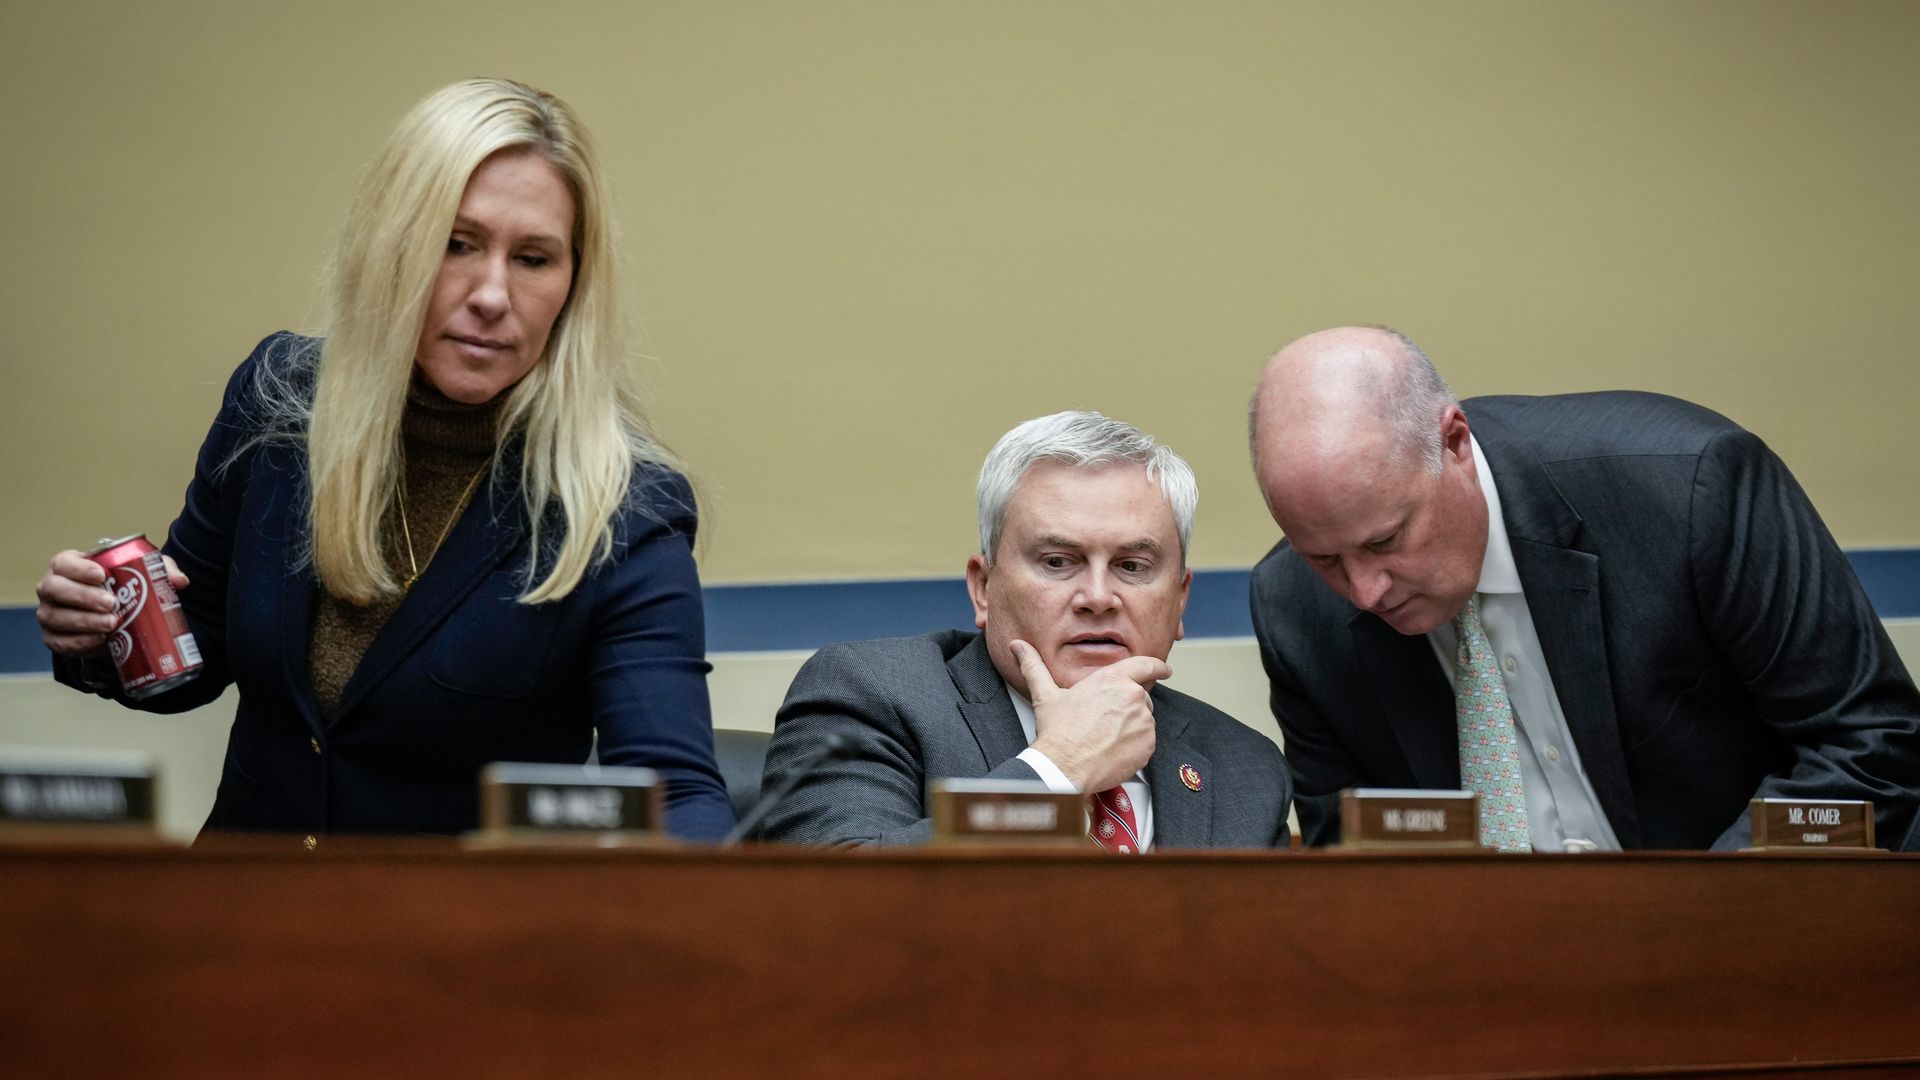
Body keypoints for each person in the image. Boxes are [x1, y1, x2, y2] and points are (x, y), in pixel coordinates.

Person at [34, 78, 735, 842]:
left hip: (457, 946)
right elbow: (187, 664)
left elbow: (677, 790)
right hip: (241, 919)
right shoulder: (279, 405)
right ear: (390, 247)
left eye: (533, 258)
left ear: (572, 286)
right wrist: (101, 632)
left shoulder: (625, 506)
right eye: (455, 244)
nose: (493, 295)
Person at [1248, 325, 1920, 851]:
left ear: (1453, 442)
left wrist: (1706, 920)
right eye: (1326, 559)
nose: (1365, 591)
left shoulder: (1687, 493)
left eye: (1386, 541)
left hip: (1754, 941)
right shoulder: (1294, 610)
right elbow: (1355, 861)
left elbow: (1872, 745)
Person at [759, 411, 1292, 849]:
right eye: (1058, 562)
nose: (1098, 598)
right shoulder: (872, 696)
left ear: (1180, 600)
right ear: (983, 588)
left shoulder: (1244, 768)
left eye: (1132, 566)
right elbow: (835, 908)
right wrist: (1059, 769)